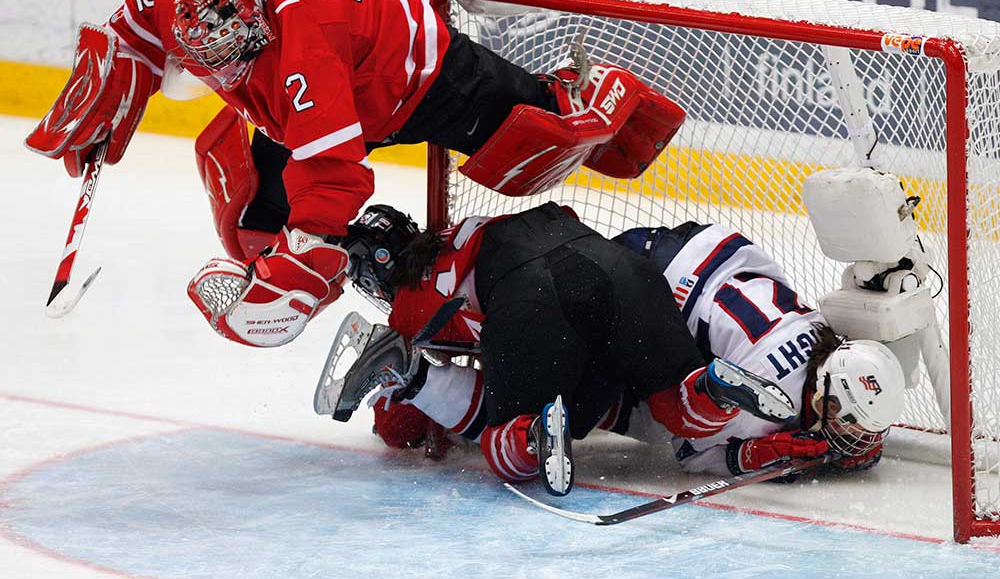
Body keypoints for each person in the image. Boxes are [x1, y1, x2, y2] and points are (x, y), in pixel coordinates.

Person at [25, 0, 686, 349]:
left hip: (425, 81)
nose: (226, 77)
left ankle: (591, 101)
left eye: (237, 58)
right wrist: (112, 93)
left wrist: (300, 276)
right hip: (336, 86)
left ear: (254, 14)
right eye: (212, 67)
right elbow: (139, 14)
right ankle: (305, 266)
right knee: (250, 209)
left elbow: (335, 182)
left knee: (536, 150)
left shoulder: (300, 58)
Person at [314, 204, 906, 494]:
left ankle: (503, 415)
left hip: (669, 258)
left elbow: (401, 427)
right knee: (664, 403)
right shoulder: (461, 239)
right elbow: (688, 448)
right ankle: (699, 389)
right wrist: (762, 458)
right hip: (617, 267)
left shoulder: (419, 298)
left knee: (515, 436)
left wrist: (409, 405)